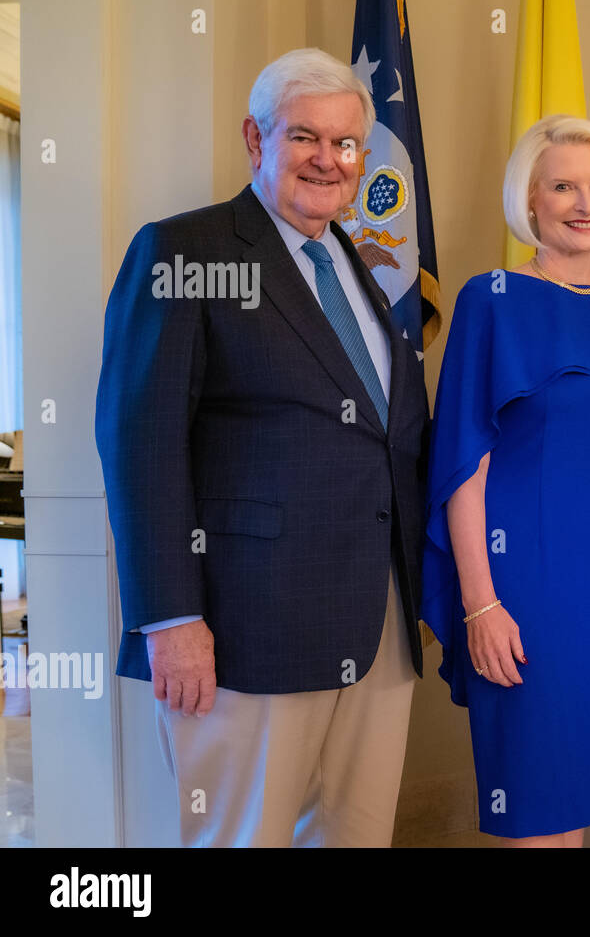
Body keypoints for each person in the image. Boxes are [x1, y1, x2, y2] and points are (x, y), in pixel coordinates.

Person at [95, 48, 430, 847]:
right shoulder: (186, 251)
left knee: (357, 836)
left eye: (346, 144)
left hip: (378, 624)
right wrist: (171, 618)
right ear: (255, 138)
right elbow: (140, 440)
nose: (328, 160)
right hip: (246, 630)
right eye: (304, 136)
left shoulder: (356, 263)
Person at [422, 115, 590, 847]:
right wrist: (480, 604)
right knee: (532, 800)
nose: (585, 203)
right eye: (563, 186)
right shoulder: (490, 299)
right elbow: (463, 465)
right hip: (520, 579)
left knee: (576, 798)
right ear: (529, 200)